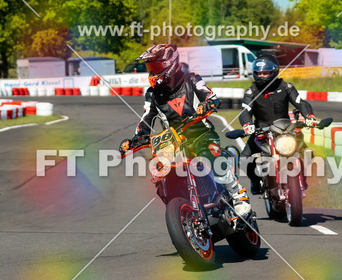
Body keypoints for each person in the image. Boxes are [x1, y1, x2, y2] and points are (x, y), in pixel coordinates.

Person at [119, 44, 251, 217]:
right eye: (150, 68)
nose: (152, 72)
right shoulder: (152, 93)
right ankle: (180, 210)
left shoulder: (191, 79)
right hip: (173, 142)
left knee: (209, 156)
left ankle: (237, 194)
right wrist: (135, 139)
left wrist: (207, 103)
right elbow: (146, 119)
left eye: (156, 67)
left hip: (201, 133)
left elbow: (209, 95)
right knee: (160, 171)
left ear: (170, 64)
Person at [239, 53, 316, 194]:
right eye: (259, 73)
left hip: (286, 130)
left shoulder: (286, 87)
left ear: (274, 72)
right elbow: (245, 111)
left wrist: (309, 116)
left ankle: (303, 178)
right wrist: (248, 125)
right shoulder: (251, 91)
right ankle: (255, 181)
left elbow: (301, 103)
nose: (261, 76)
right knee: (244, 158)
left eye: (265, 73)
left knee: (307, 153)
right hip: (261, 132)